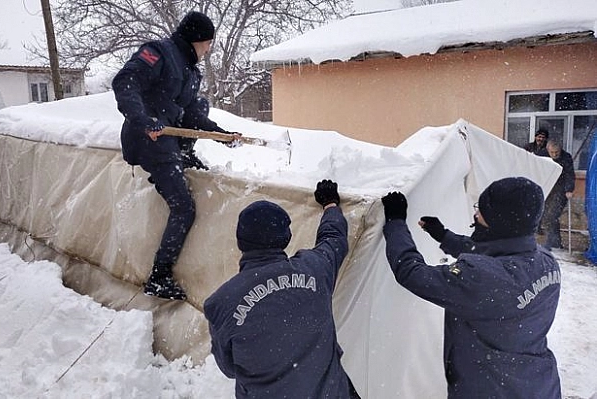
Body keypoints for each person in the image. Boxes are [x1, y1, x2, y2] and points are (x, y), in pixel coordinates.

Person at [380, 177, 561, 399]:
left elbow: (412, 273)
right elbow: (496, 254)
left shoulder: (482, 280)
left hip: (490, 390)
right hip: (537, 385)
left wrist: (395, 222)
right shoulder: (545, 262)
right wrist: (444, 236)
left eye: (481, 211)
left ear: (499, 222)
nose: (476, 215)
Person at [112, 11, 238, 300]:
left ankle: (185, 157)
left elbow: (192, 114)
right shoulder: (159, 53)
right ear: (195, 39)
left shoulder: (190, 71)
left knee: (201, 106)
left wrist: (221, 134)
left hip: (169, 141)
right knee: (184, 207)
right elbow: (125, 82)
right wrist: (143, 120)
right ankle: (159, 276)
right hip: (148, 140)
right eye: (207, 43)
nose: (208, 49)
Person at [204, 180, 360, 399]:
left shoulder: (222, 302)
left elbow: (229, 368)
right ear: (286, 238)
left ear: (241, 241)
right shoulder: (314, 268)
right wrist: (330, 205)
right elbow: (334, 239)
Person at [538, 139, 575, 249]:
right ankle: (556, 242)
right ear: (547, 150)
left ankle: (552, 242)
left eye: (557, 152)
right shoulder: (542, 155)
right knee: (544, 214)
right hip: (547, 186)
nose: (554, 155)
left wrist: (569, 189)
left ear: (560, 150)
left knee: (552, 215)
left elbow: (570, 174)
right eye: (552, 152)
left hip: (561, 189)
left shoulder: (566, 157)